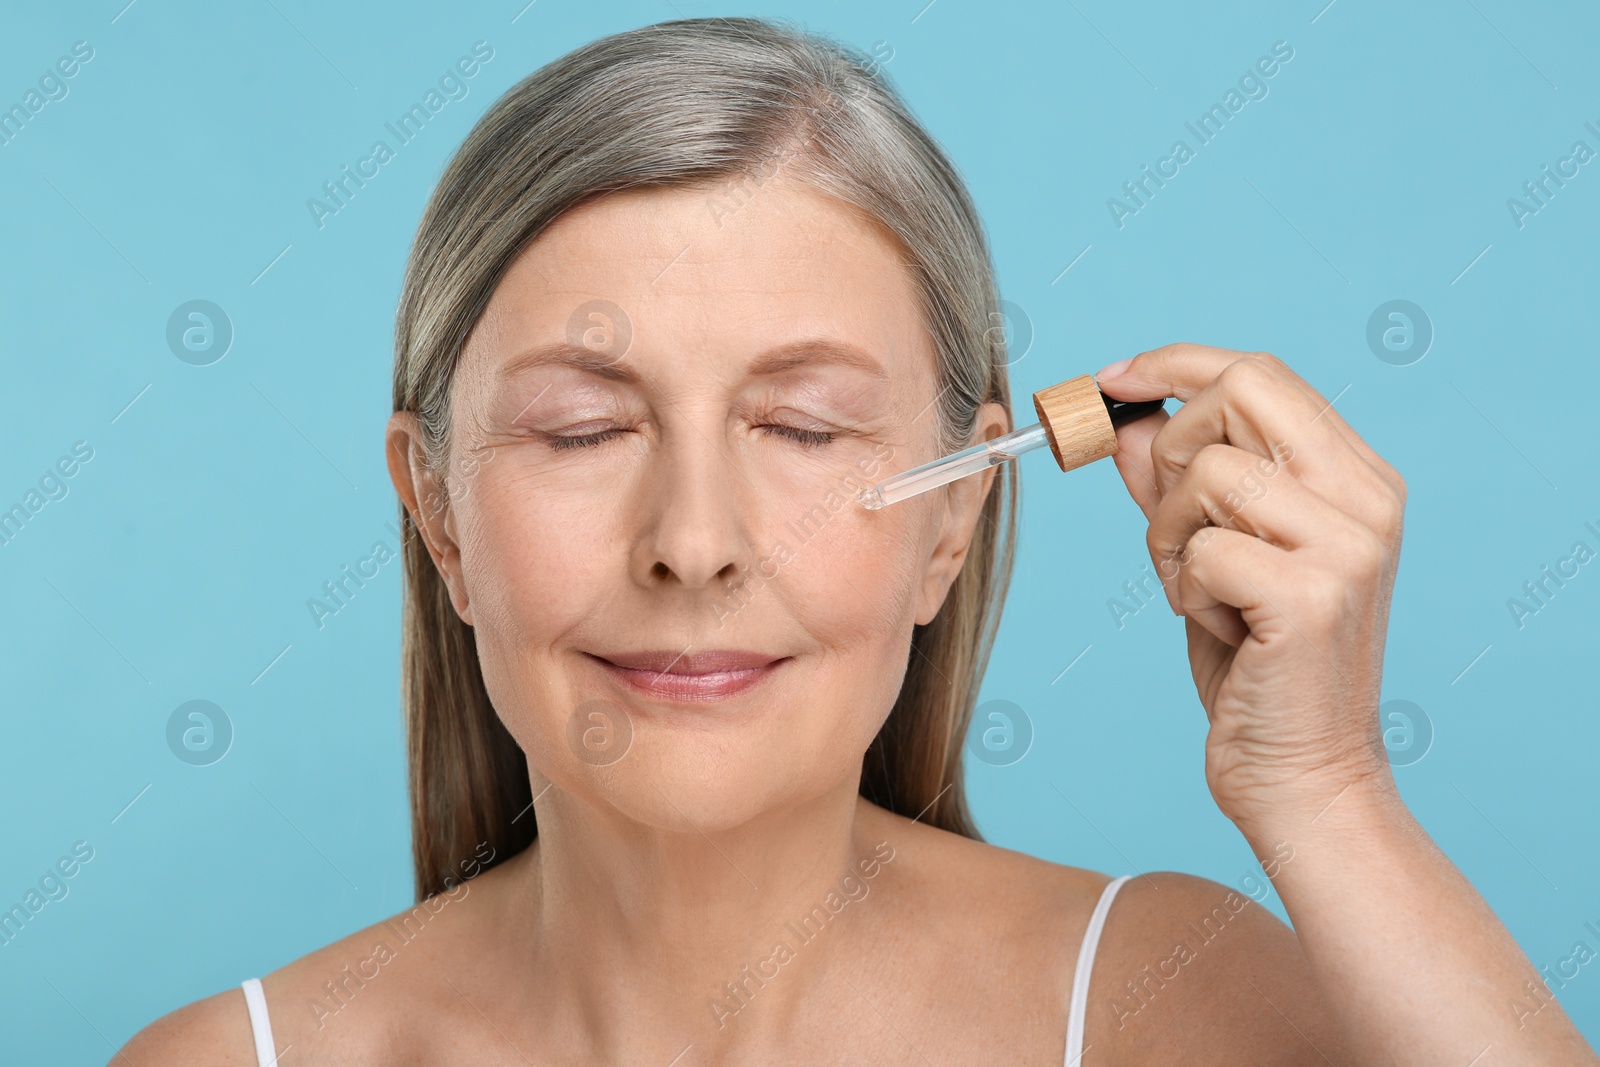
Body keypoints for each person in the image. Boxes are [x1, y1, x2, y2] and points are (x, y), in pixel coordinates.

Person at [117, 17, 1597, 1065]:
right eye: (582, 432)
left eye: (806, 429)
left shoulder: (1164, 1009)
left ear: (954, 516)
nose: (693, 544)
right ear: (436, 514)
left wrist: (1326, 793)